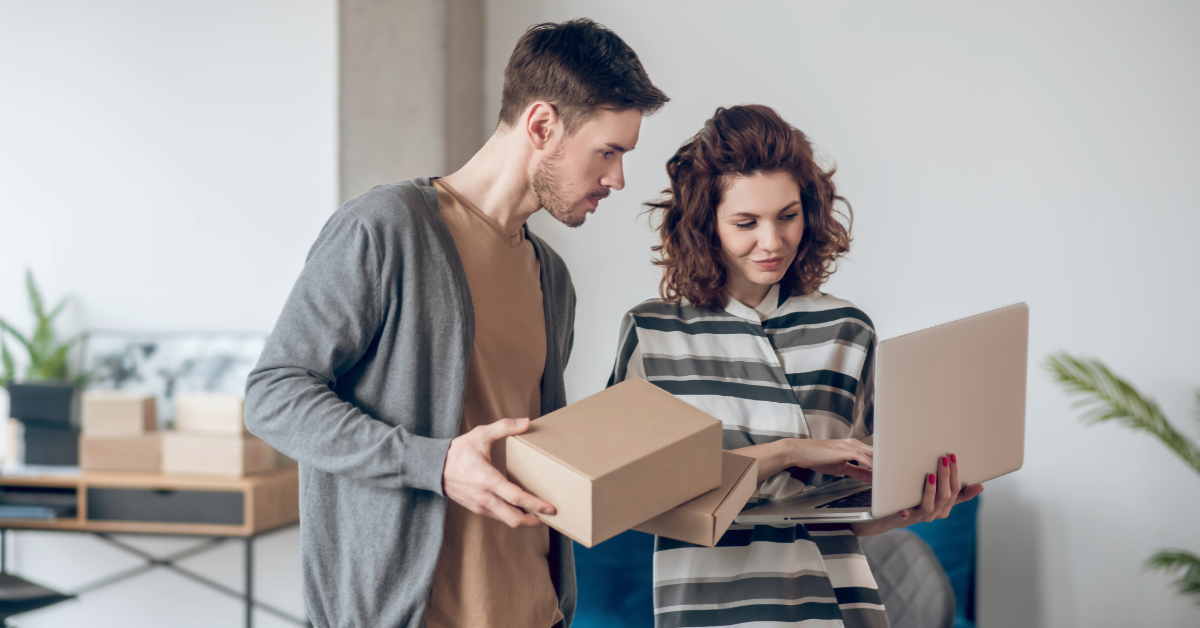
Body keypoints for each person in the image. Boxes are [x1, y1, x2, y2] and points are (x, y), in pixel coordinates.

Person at [244, 19, 668, 628]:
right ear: (543, 126)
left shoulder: (552, 278)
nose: (617, 180)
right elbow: (273, 395)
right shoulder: (385, 229)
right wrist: (434, 463)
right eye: (609, 152)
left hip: (536, 613)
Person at [608, 104, 983, 628]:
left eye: (788, 215)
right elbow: (634, 498)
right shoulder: (652, 333)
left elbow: (848, 511)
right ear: (704, 224)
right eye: (746, 222)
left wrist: (910, 508)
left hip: (839, 608)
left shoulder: (848, 329)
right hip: (710, 611)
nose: (774, 241)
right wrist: (787, 453)